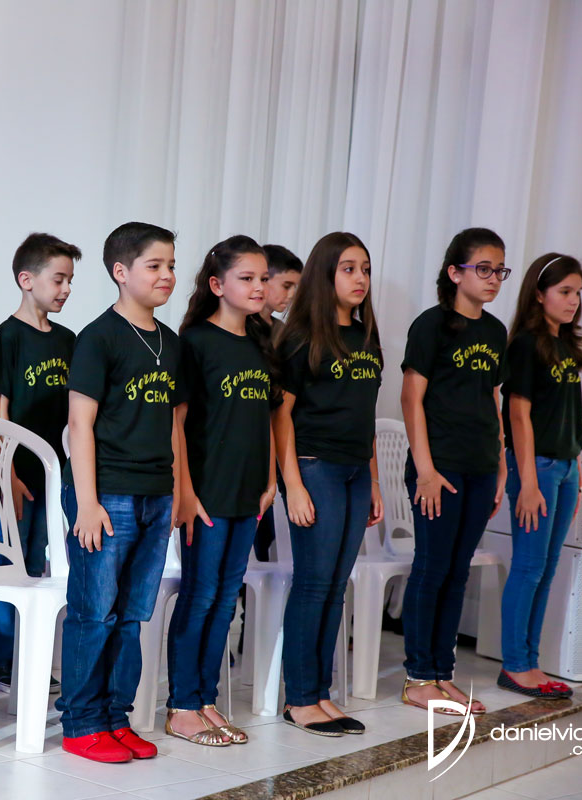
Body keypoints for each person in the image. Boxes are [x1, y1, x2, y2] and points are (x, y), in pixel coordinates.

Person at [59, 221, 186, 763]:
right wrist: (87, 502)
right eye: (154, 265)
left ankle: (116, 717)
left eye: (171, 265)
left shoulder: (170, 343)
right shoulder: (99, 337)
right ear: (121, 271)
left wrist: (177, 491)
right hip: (106, 494)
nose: (167, 275)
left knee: (133, 614)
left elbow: (175, 424)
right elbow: (79, 425)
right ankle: (81, 723)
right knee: (95, 612)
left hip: (156, 494)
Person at [166, 235, 279, 747]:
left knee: (227, 598)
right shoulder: (194, 342)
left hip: (249, 494)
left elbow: (268, 418)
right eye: (247, 278)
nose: (259, 287)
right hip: (207, 495)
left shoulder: (261, 341)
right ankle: (181, 705)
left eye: (263, 279)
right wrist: (186, 493)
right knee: (201, 596)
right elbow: (177, 423)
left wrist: (270, 479)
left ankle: (206, 699)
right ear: (217, 284)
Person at [275, 231, 383, 737]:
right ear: (325, 274)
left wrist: (375, 482)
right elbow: (282, 416)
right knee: (314, 582)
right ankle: (299, 699)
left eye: (365, 269)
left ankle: (321, 693)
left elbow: (366, 416)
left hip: (355, 471)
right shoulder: (300, 338)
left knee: (337, 585)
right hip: (315, 466)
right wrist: (293, 484)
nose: (360, 278)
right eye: (348, 269)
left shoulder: (366, 337)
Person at [399, 228, 510, 716]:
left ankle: (443, 675)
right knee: (432, 568)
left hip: (480, 467)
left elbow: (493, 399)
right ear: (454, 272)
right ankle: (418, 678)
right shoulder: (431, 325)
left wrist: (501, 467)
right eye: (483, 268)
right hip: (439, 469)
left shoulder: (496, 331)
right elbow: (411, 397)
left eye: (499, 270)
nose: (493, 278)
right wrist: (425, 469)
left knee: (458, 573)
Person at [0, 232, 81, 694]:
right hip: (17, 474)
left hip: (54, 474)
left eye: (70, 281)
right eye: (58, 279)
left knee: (39, 558)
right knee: (8, 559)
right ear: (27, 279)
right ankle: (2, 661)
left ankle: (30, 654)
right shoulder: (8, 336)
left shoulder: (68, 340)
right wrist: (5, 473)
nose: (65, 289)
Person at [497, 253, 582, 700]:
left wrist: (576, 470)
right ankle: (515, 665)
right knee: (529, 567)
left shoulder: (565, 347)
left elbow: (567, 416)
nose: (573, 301)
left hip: (565, 467)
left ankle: (530, 661)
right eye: (564, 291)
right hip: (538, 468)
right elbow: (518, 413)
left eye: (578, 293)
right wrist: (529, 481)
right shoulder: (525, 345)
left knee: (547, 569)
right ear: (539, 293)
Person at [253, 243, 302, 561]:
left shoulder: (284, 332)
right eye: (286, 285)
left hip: (276, 443)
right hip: (247, 445)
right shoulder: (239, 328)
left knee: (269, 537)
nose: (291, 295)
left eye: (296, 288)